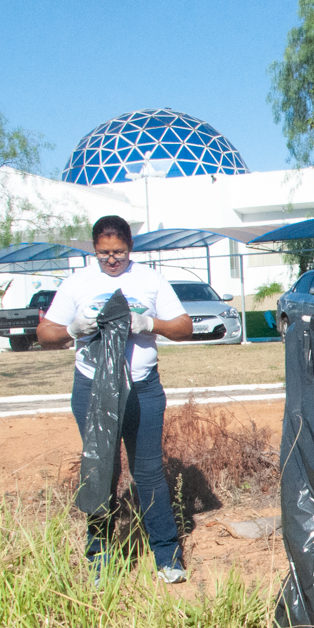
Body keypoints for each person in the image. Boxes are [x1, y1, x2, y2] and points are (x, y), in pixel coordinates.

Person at [37, 216, 194, 583]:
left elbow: (184, 327)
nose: (112, 260)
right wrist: (72, 329)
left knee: (149, 473)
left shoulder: (150, 280)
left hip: (142, 389)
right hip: (93, 389)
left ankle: (167, 557)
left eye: (119, 252)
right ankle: (100, 560)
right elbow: (45, 333)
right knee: (100, 470)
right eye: (104, 253)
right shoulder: (78, 283)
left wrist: (149, 324)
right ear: (93, 250)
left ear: (130, 247)